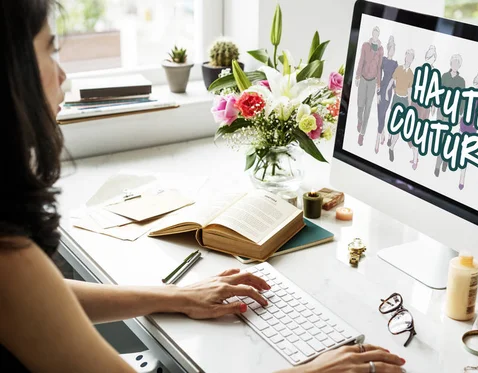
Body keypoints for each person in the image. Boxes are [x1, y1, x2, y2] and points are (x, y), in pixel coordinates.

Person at [0, 2, 407, 372]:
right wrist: (309, 371)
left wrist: (175, 296)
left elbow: (42, 300)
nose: (63, 75)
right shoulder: (8, 257)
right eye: (50, 49)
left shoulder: (14, 265)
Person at [435, 54, 465, 177]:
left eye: (457, 63)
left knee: (446, 138)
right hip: (441, 110)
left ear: (459, 65)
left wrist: (460, 113)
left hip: (452, 112)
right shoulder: (444, 76)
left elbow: (462, 99)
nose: (455, 65)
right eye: (453, 62)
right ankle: (441, 162)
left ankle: (442, 162)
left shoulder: (461, 81)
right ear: (450, 63)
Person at [356, 26, 384, 147]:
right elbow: (361, 60)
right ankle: (359, 120)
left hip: (373, 81)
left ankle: (362, 134)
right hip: (363, 78)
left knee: (368, 108)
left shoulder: (381, 49)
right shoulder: (365, 45)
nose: (375, 35)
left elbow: (379, 67)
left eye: (377, 33)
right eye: (374, 33)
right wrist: (357, 76)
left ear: (378, 35)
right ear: (372, 34)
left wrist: (378, 84)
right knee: (360, 105)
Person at [458, 71, 478, 190]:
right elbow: (462, 108)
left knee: (467, 152)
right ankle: (461, 177)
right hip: (465, 125)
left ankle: (462, 178)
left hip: (473, 127)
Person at [411, 45, 437, 170]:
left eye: (431, 57)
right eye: (428, 57)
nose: (429, 59)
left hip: (425, 106)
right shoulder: (420, 70)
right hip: (416, 103)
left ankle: (416, 158)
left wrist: (433, 105)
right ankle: (415, 156)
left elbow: (434, 90)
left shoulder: (434, 74)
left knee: (419, 129)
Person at [386, 49, 415, 162]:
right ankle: (389, 136)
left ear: (412, 59)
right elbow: (392, 80)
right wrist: (388, 91)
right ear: (405, 57)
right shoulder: (399, 69)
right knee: (392, 121)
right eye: (407, 56)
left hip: (404, 101)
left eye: (411, 57)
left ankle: (391, 147)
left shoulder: (411, 74)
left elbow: (409, 90)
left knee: (398, 126)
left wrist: (409, 104)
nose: (408, 58)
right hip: (396, 97)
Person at [375, 36, 398, 154]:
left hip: (388, 92)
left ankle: (377, 139)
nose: (392, 52)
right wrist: (378, 92)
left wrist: (394, 90)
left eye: (393, 50)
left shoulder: (395, 63)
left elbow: (394, 80)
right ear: (388, 49)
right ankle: (381, 132)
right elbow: (378, 75)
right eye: (390, 49)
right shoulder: (383, 60)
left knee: (383, 112)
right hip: (381, 87)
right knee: (379, 113)